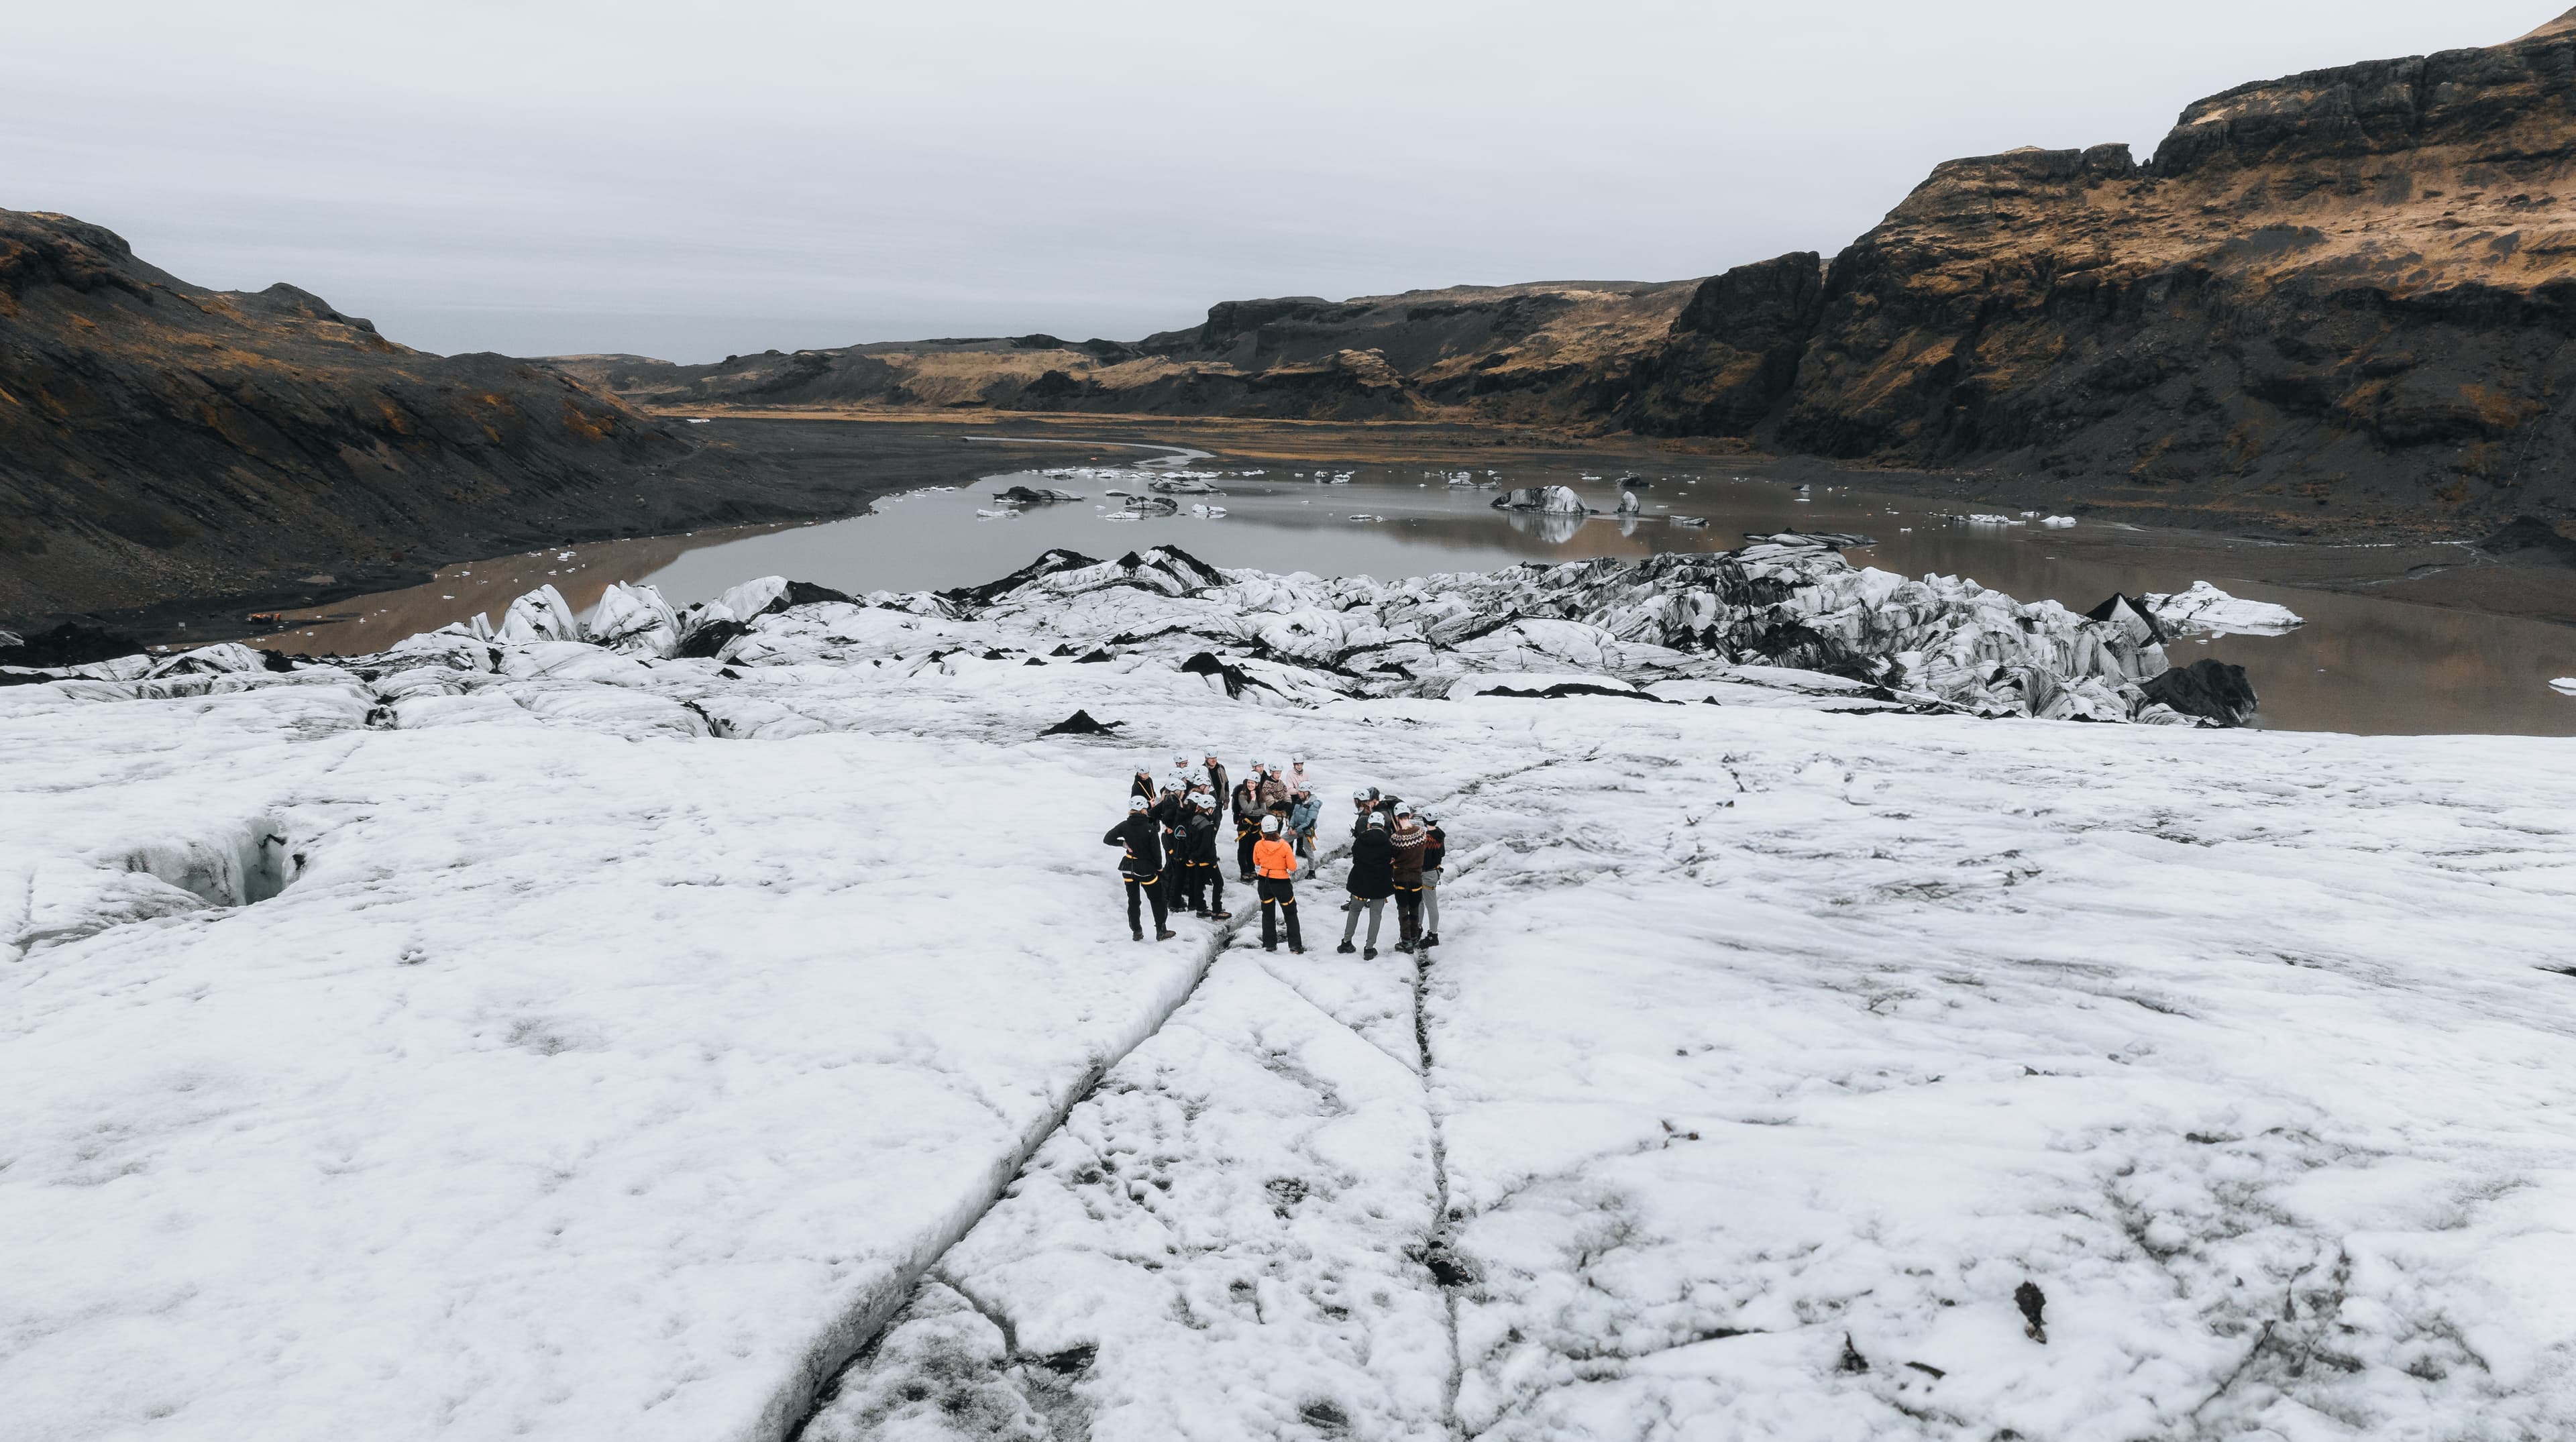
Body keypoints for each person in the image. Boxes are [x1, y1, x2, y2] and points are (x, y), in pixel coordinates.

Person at [1106, 796, 1174, 941]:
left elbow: (1108, 839)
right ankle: (1161, 931)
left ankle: (1136, 931)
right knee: (1157, 899)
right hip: (1146, 869)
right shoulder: (1150, 829)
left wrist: (1123, 844)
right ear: (1144, 810)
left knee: (1133, 900)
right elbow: (1156, 853)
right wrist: (1160, 868)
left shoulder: (1124, 826)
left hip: (1128, 868)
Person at [1338, 811, 1395, 958]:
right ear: (1383, 827)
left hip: (1360, 882)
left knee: (1354, 910)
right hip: (1380, 884)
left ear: (1369, 824)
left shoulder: (1360, 840)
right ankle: (1369, 948)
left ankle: (1346, 942)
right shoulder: (1388, 843)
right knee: (1375, 915)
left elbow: (1355, 857)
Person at [1252, 815, 1303, 952]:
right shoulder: (1284, 846)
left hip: (1264, 881)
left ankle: (1269, 944)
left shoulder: (1258, 844)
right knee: (1290, 913)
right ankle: (1295, 946)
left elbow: (1256, 862)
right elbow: (1292, 867)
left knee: (1267, 913)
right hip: (1281, 882)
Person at [1389, 803, 1429, 952]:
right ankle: (1414, 937)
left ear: (1397, 818)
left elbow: (1392, 856)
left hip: (1400, 877)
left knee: (1403, 910)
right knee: (1414, 908)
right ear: (1410, 816)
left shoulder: (1395, 837)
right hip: (1417, 877)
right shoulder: (1421, 833)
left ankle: (1406, 941)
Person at [1187, 792, 1231, 918]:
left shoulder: (1194, 820)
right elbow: (1207, 845)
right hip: (1207, 859)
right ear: (1210, 809)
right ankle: (1217, 910)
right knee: (1219, 883)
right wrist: (1212, 859)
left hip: (1196, 858)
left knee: (1199, 883)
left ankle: (1201, 908)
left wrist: (1192, 856)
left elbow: (1190, 841)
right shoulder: (1208, 825)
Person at [1233, 763, 1267, 881]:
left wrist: (1252, 812)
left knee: (1252, 849)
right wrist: (1252, 799)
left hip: (1256, 826)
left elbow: (1263, 810)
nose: (1250, 785)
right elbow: (1246, 810)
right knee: (1243, 849)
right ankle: (1244, 871)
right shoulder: (1242, 794)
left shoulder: (1260, 794)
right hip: (1245, 825)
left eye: (1252, 783)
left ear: (1257, 784)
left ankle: (1251, 869)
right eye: (1249, 783)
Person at [1418, 812, 1446, 947]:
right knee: (1424, 902)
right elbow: (1443, 853)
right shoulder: (1440, 834)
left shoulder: (1427, 838)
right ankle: (1421, 929)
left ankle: (1433, 935)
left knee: (1427, 904)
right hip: (1433, 873)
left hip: (1426, 874)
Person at [1287, 785, 1321, 878]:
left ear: (1307, 793)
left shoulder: (1314, 805)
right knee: (1282, 841)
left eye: (1301, 792)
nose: (1299, 794)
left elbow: (1309, 823)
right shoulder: (1299, 801)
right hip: (1296, 828)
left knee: (1308, 850)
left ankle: (1312, 872)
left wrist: (1296, 831)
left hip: (1307, 830)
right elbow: (1294, 815)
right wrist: (1291, 826)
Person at [1202, 751, 1230, 817]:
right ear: (1206, 758)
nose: (1214, 760)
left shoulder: (1221, 768)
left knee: (1217, 823)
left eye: (1215, 758)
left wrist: (1226, 800)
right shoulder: (1202, 770)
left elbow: (1226, 784)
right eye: (1212, 758)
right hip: (1207, 804)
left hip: (1219, 803)